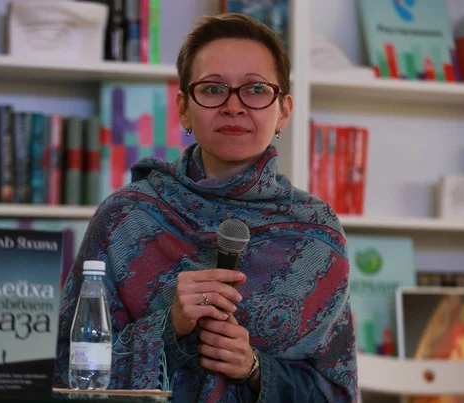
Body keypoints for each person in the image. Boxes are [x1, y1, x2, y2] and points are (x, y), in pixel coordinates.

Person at [54, 12, 357, 402]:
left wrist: (254, 369)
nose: (233, 106)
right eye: (213, 89)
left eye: (256, 89)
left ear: (283, 110)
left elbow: (336, 394)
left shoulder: (317, 233)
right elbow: (65, 372)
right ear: (183, 108)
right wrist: (170, 327)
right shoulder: (124, 218)